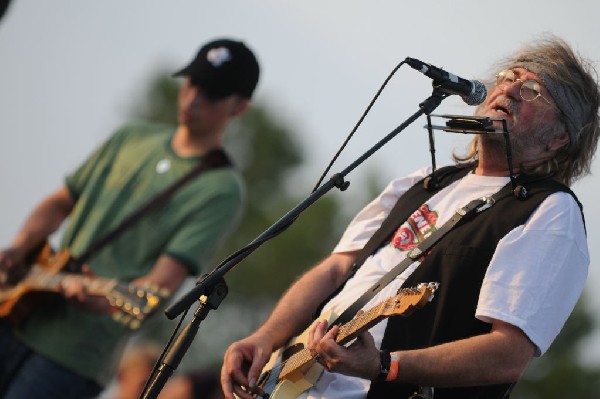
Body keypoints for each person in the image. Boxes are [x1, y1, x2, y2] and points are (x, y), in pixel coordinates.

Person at [221, 35, 599, 398]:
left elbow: (508, 354)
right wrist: (266, 338)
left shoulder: (549, 213)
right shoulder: (422, 183)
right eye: (508, 77)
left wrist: (385, 366)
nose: (510, 90)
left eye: (533, 91)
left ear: (558, 139)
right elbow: (336, 269)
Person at [0, 37, 260, 398]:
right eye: (192, 83)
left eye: (212, 93)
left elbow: (158, 286)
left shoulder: (222, 189)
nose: (193, 98)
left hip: (73, 359)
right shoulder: (131, 136)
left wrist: (96, 299)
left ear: (240, 106)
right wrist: (18, 247)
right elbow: (60, 202)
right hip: (15, 307)